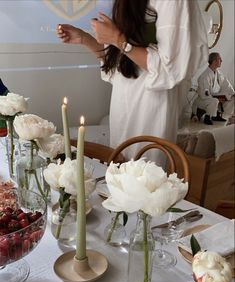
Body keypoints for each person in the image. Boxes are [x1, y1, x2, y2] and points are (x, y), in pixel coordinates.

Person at [57, 0, 208, 161]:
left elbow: (169, 68)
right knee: (119, 169)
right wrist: (84, 38)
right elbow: (118, 66)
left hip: (151, 104)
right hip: (122, 103)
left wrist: (118, 39)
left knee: (145, 175)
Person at [192, 52, 235, 125]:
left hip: (213, 98)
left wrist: (233, 93)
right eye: (219, 59)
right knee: (214, 100)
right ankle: (207, 117)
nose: (221, 61)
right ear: (214, 61)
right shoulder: (204, 76)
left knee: (232, 98)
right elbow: (204, 94)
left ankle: (217, 115)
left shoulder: (219, 73)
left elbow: (226, 84)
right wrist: (217, 98)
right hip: (202, 100)